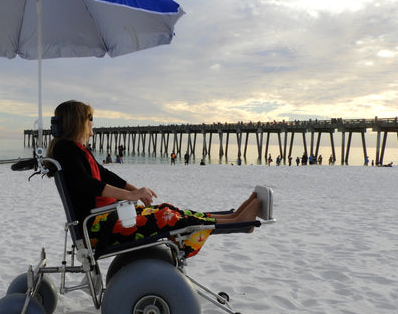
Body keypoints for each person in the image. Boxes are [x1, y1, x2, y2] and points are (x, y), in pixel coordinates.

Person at [47, 100, 260, 257]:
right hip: (98, 228)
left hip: (106, 220)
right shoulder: (66, 149)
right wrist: (131, 194)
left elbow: (105, 174)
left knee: (170, 211)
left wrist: (136, 190)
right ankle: (238, 223)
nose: (93, 123)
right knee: (169, 217)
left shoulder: (75, 148)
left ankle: (233, 219)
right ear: (79, 121)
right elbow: (87, 184)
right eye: (90, 118)